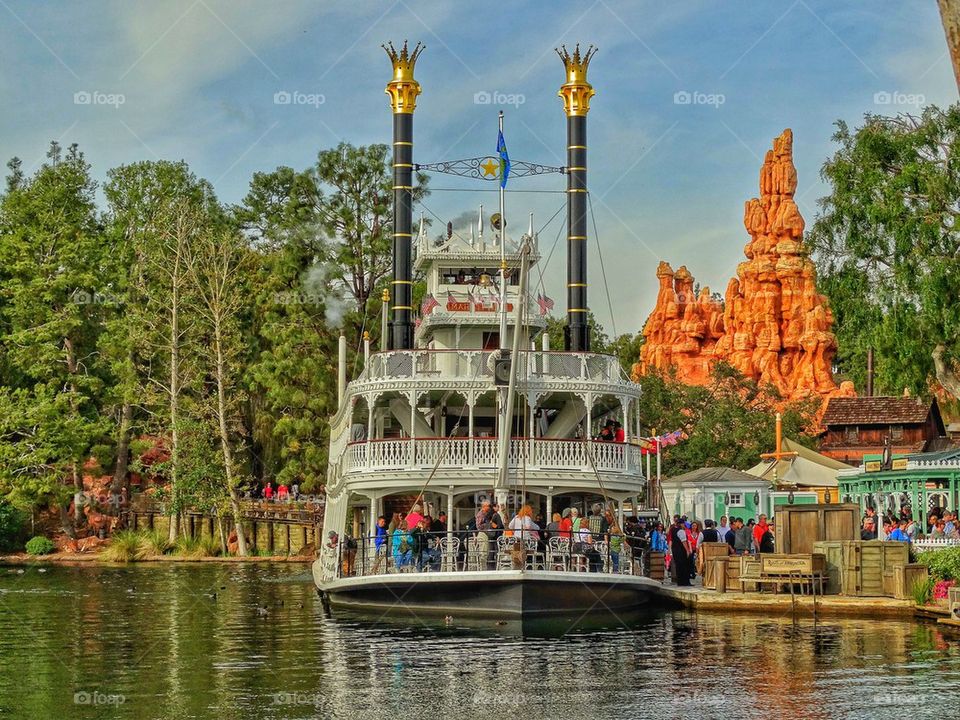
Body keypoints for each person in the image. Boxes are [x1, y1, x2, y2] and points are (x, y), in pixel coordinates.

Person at [669, 517, 691, 586]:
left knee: (678, 566)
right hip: (681, 550)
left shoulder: (672, 530)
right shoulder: (681, 531)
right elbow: (683, 541)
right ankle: (685, 582)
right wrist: (687, 550)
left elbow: (671, 540)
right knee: (684, 566)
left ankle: (680, 582)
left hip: (675, 550)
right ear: (681, 524)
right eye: (683, 524)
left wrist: (670, 550)